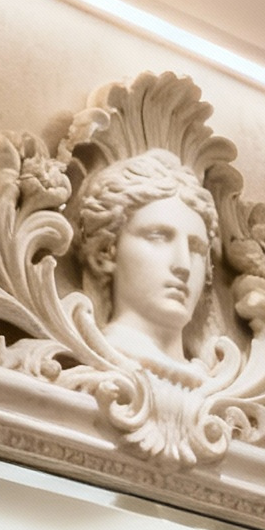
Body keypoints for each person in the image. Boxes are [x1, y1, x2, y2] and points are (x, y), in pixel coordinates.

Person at [75, 151, 220, 370]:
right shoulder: (102, 359)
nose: (183, 266)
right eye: (158, 237)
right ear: (106, 251)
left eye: (196, 248)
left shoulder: (213, 379)